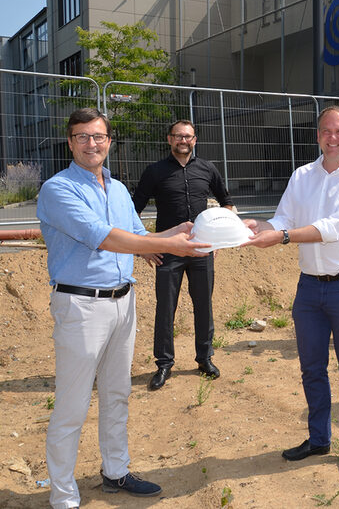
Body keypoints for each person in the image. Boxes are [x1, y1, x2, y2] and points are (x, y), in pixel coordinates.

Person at [36, 108, 209, 509]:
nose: (91, 144)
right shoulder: (58, 189)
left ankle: (116, 470)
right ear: (70, 142)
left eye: (98, 137)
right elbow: (105, 238)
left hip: (122, 302)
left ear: (109, 142)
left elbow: (135, 234)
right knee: (73, 404)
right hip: (81, 305)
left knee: (117, 394)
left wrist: (179, 233)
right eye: (82, 136)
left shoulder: (116, 188)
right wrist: (165, 246)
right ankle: (63, 496)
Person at [243, 106, 339, 474]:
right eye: (324, 131)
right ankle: (319, 439)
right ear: (317, 135)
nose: (331, 138)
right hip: (309, 289)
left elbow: (333, 227)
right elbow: (285, 218)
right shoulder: (302, 175)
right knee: (312, 368)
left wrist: (282, 236)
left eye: (338, 131)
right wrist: (260, 225)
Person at [133, 120, 235, 390]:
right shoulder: (154, 172)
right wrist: (144, 245)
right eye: (178, 136)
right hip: (169, 251)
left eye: (188, 136)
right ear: (169, 139)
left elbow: (227, 203)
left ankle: (204, 359)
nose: (183, 141)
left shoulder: (207, 169)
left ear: (195, 140)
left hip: (202, 249)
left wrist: (224, 235)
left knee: (204, 306)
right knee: (165, 308)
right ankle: (164, 364)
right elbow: (132, 211)